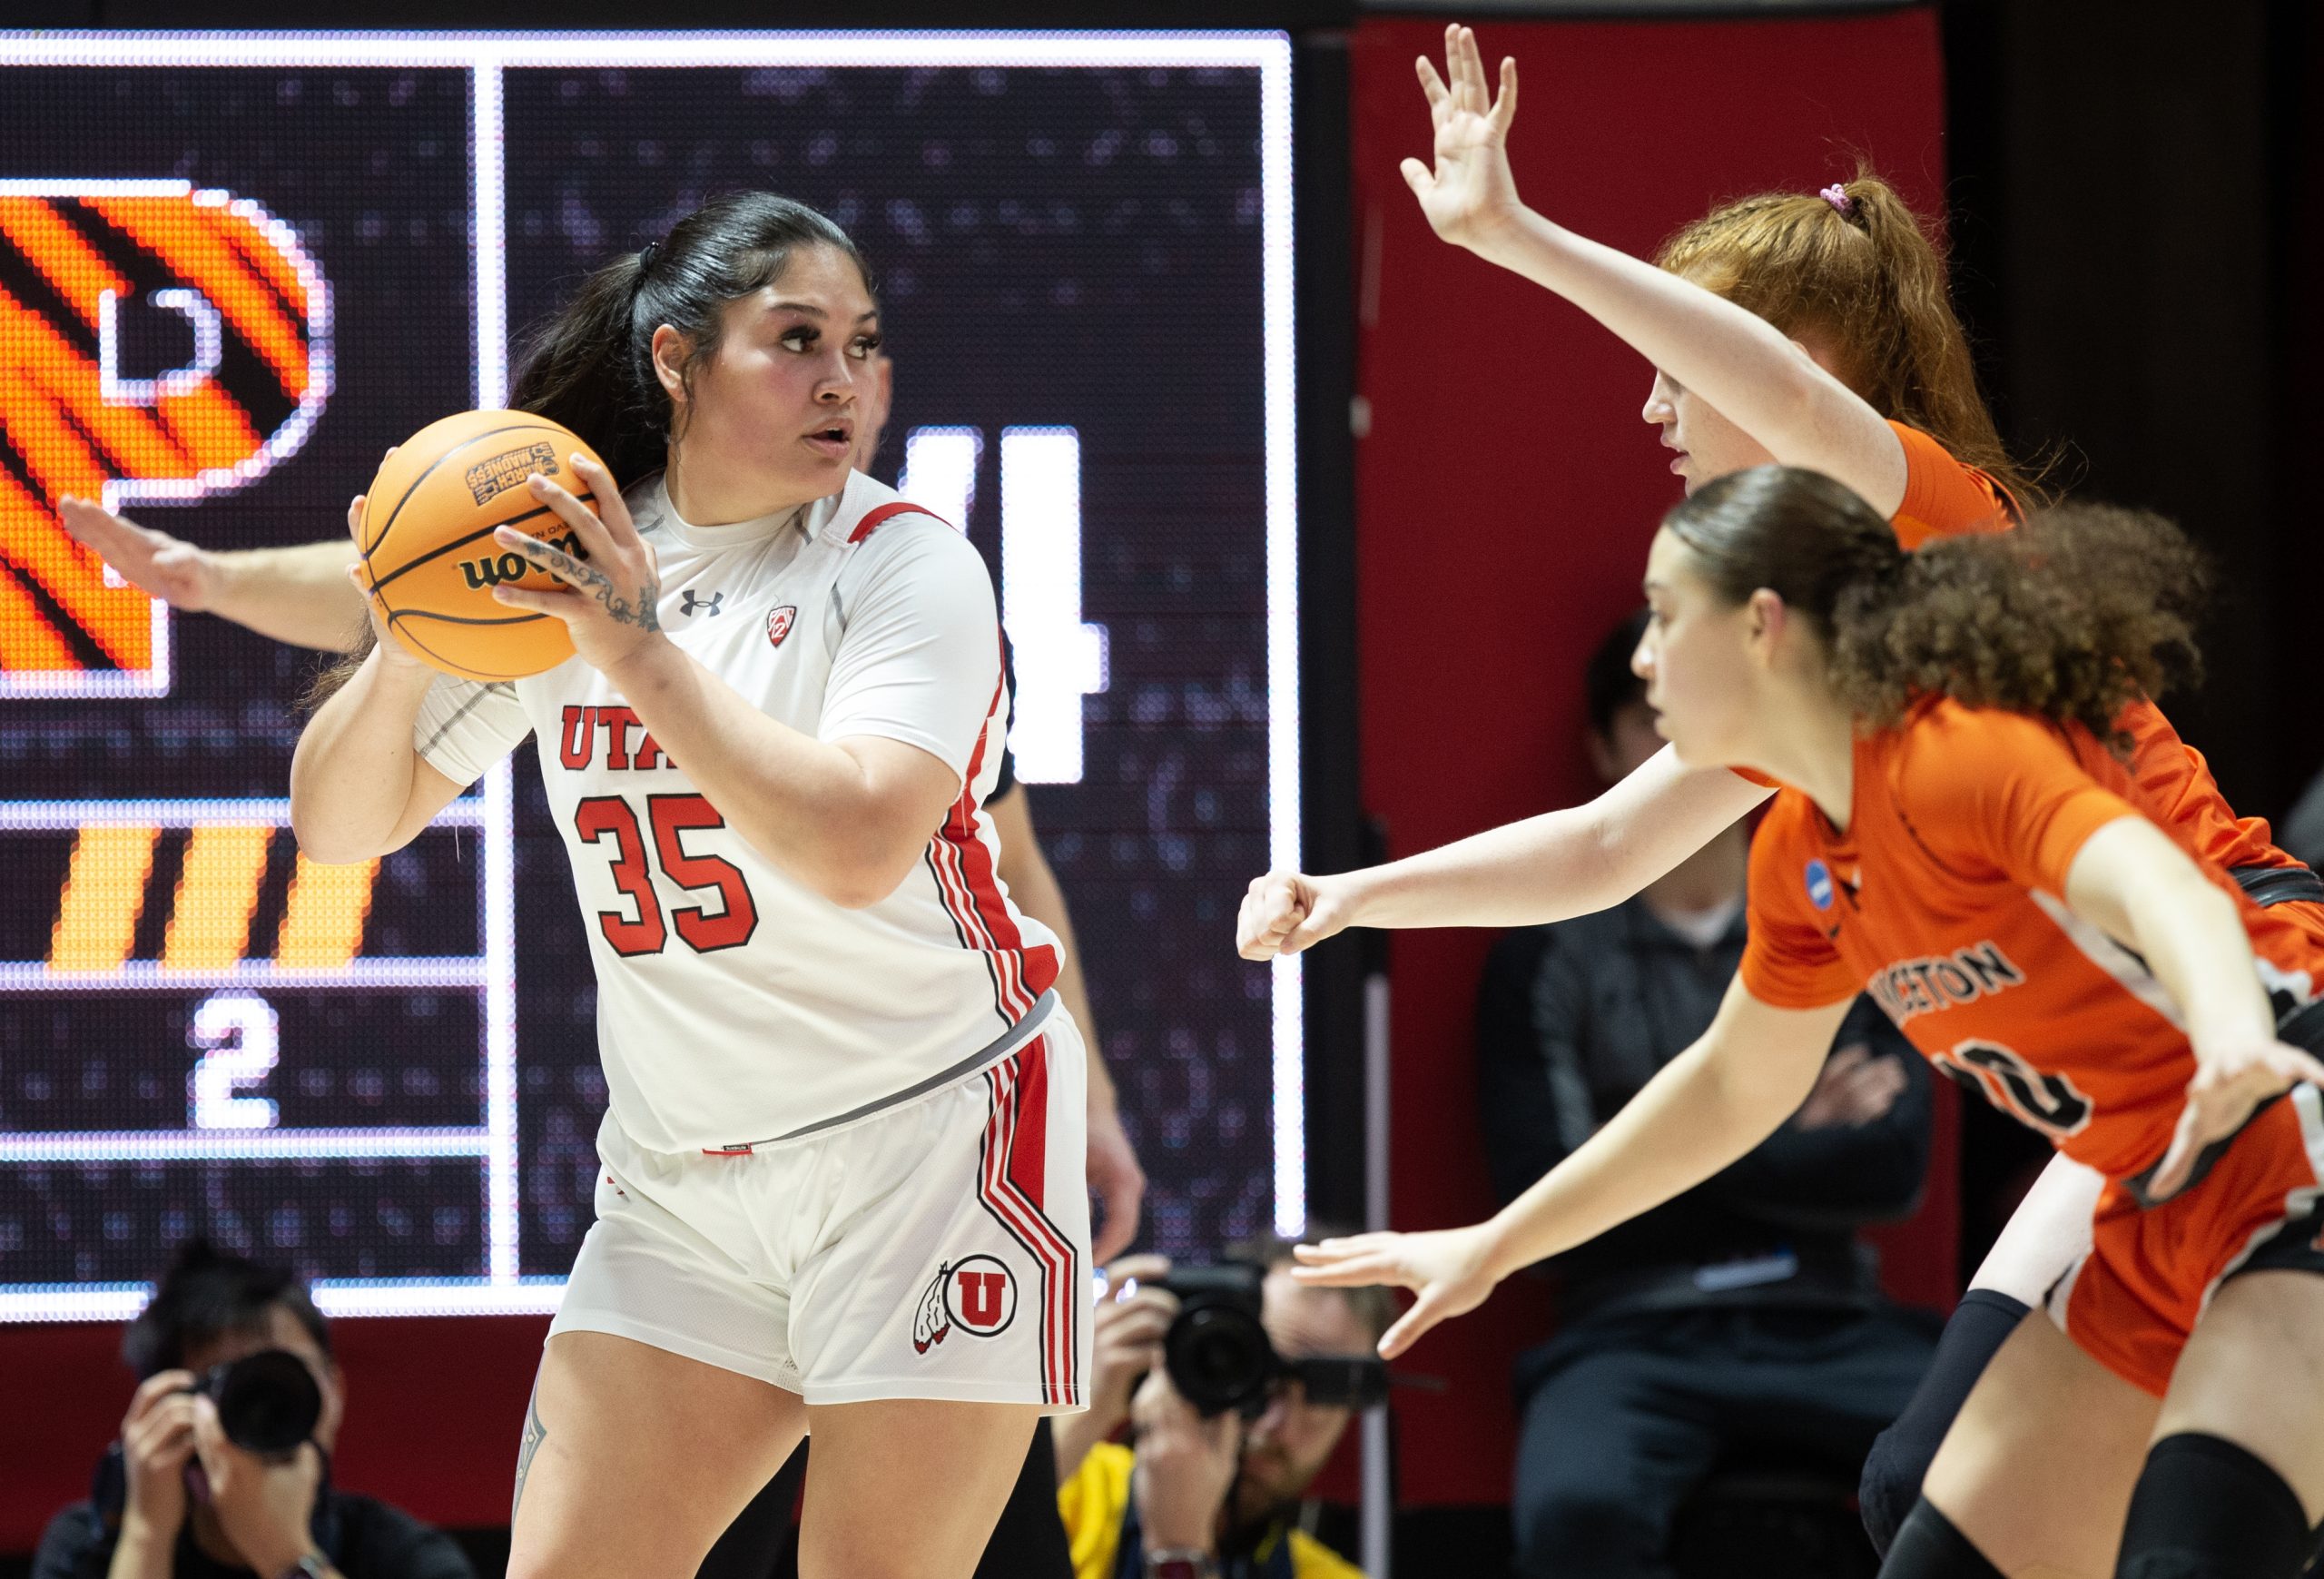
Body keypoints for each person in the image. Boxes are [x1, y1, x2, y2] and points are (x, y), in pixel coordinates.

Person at [1232, 25, 2324, 1554]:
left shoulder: (1940, 539)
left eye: (1678, 362)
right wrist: (1356, 899)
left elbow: (2154, 885)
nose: (1653, 408)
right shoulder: (1818, 749)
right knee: (1911, 1495)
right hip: (2145, 1118)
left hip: (2264, 1020)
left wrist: (1515, 236)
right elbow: (1613, 853)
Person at [1296, 469, 2324, 1579]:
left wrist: (2227, 1032)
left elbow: (2159, 884)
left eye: (1663, 612)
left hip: (2292, 1144)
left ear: (1760, 624)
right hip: (2151, 1201)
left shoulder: (1952, 753)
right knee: (1920, 1524)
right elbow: (1732, 1087)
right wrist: (1491, 1248)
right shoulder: (1800, 858)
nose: (1641, 658)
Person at [286, 192, 1092, 1579]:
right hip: (681, 1180)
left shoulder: (907, 567)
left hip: (929, 1148)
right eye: (796, 339)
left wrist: (634, 652)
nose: (843, 379)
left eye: (862, 343)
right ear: (675, 359)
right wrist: (416, 630)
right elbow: (340, 822)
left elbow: (854, 847)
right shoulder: (578, 557)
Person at [1479, 608, 1935, 1579]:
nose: (1675, 744)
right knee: (1577, 1510)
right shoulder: (1545, 956)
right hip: (1629, 1327)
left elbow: (1893, 1167)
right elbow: (1549, 1210)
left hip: (1828, 1309)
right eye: (1647, 712)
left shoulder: (1842, 895)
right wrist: (1785, 1123)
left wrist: (1630, 1147)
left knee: (1987, 1467)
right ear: (1603, 744)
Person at [31, 1241, 475, 1579]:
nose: (261, 1405)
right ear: (167, 1406)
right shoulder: (89, 1546)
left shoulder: (403, 1556)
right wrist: (147, 1533)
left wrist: (290, 1556)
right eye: (232, 1384)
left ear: (334, 1390)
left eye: (283, 1376)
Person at [1052, 1236, 1391, 1579]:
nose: (1278, 1424)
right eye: (1260, 1375)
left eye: (1322, 1395)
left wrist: (1180, 1552)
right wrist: (1081, 1405)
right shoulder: (1073, 1486)